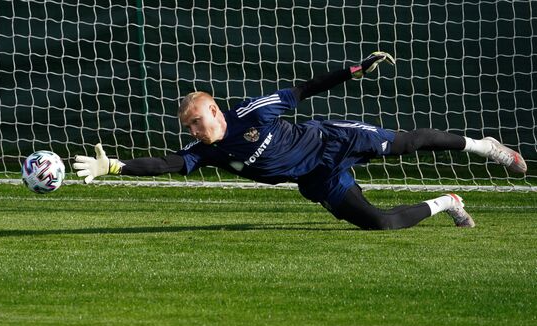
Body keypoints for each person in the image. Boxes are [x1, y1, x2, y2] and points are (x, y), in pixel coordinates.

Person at [73, 52, 527, 230]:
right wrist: (113, 166)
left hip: (331, 141)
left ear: (213, 110)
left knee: (408, 143)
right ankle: (448, 202)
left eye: (195, 121)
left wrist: (352, 71)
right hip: (316, 178)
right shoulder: (208, 151)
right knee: (378, 224)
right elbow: (169, 164)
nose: (192, 131)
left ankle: (485, 146)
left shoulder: (252, 111)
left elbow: (303, 91)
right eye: (188, 127)